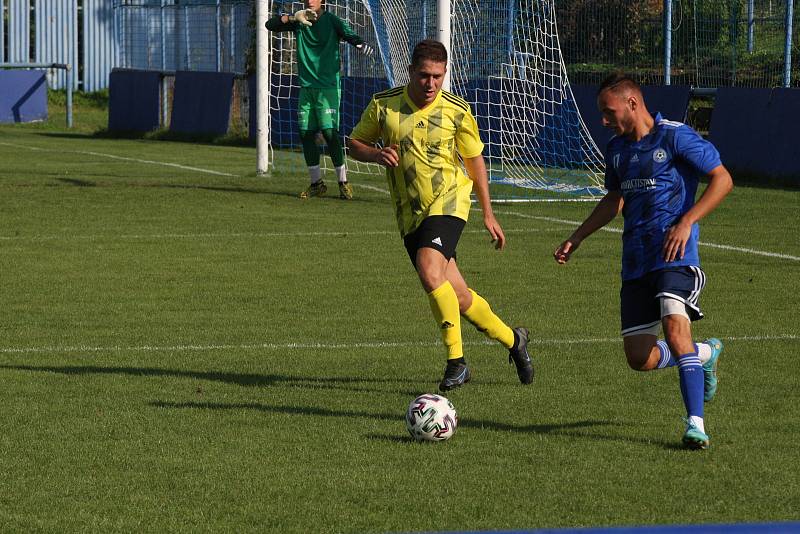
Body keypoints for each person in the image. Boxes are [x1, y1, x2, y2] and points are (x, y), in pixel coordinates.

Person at [554, 73, 733, 449]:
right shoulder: (617, 149)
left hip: (675, 256)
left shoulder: (674, 135)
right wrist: (577, 236)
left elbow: (722, 179)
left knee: (674, 327)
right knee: (639, 358)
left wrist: (686, 222)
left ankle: (695, 424)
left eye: (609, 111)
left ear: (632, 104)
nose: (603, 120)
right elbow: (613, 199)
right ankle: (705, 353)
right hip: (635, 261)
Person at [347, 39, 533, 391]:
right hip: (410, 213)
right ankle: (514, 340)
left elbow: (476, 161)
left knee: (429, 270)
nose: (431, 84)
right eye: (423, 76)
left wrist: (488, 215)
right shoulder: (384, 106)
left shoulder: (457, 111)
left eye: (437, 76)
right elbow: (354, 144)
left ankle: (456, 363)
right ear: (411, 72)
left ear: (445, 73)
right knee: (458, 296)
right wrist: (374, 155)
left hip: (449, 200)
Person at [265, 0, 373, 200]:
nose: (309, 1)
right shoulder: (299, 20)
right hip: (307, 88)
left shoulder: (332, 21)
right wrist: (291, 17)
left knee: (329, 133)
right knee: (305, 133)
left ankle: (343, 183)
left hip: (328, 87)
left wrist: (360, 43)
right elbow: (270, 25)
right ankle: (317, 184)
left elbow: (350, 35)